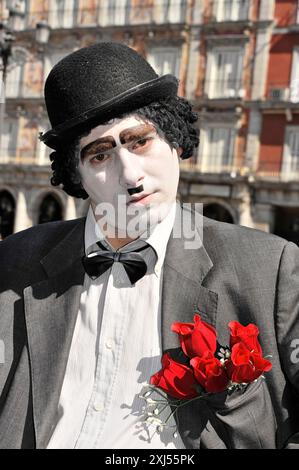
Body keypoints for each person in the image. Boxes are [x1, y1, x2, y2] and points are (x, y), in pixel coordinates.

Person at [0, 42, 299, 450]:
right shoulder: (15, 262)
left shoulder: (271, 268)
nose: (130, 175)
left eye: (139, 141)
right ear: (77, 176)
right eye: (100, 155)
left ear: (175, 142)